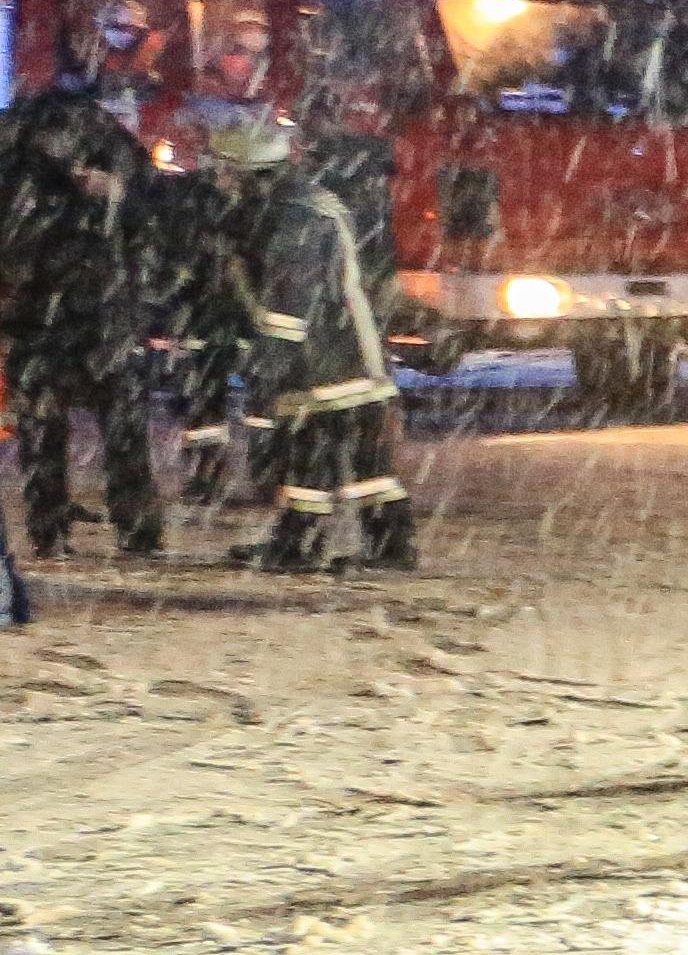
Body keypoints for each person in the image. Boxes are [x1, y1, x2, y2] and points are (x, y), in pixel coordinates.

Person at [201, 111, 416, 572]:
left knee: (362, 461)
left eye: (222, 168)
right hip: (328, 356)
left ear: (245, 171)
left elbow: (291, 297)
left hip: (335, 358)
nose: (217, 178)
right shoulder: (283, 206)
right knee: (311, 456)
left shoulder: (294, 215)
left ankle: (387, 546)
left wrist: (267, 359)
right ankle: (301, 542)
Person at [3, 60, 171, 560]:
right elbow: (147, 213)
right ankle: (132, 529)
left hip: (44, 306)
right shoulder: (105, 142)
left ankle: (50, 527)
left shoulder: (19, 146)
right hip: (94, 305)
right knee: (117, 422)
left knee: (44, 424)